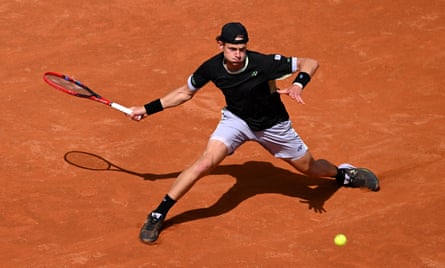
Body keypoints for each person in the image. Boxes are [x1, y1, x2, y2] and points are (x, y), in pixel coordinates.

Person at [128, 22, 379, 244]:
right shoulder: (211, 68)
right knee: (205, 163)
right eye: (232, 49)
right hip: (237, 120)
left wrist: (298, 83)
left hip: (273, 125)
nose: (238, 55)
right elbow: (184, 92)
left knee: (309, 168)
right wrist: (146, 109)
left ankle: (343, 173)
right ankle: (158, 213)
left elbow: (310, 62)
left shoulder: (263, 63)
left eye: (242, 49)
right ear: (220, 45)